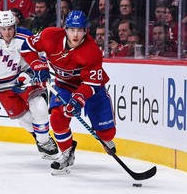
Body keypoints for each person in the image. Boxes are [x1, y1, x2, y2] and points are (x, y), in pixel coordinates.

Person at [23, 10, 117, 175]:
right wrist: (38, 65)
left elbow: (92, 82)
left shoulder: (92, 51)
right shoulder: (50, 35)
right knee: (58, 118)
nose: (75, 34)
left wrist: (78, 99)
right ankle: (67, 153)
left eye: (80, 30)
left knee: (107, 133)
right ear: (65, 29)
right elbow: (26, 47)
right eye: (72, 29)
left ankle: (106, 136)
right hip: (65, 86)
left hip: (92, 90)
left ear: (85, 31)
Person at [0, 10, 59, 160]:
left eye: (10, 28)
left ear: (15, 25)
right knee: (24, 119)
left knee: (40, 106)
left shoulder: (26, 36)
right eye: (3, 29)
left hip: (22, 79)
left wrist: (27, 74)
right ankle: (41, 139)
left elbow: (40, 57)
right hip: (0, 85)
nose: (7, 32)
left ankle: (45, 142)